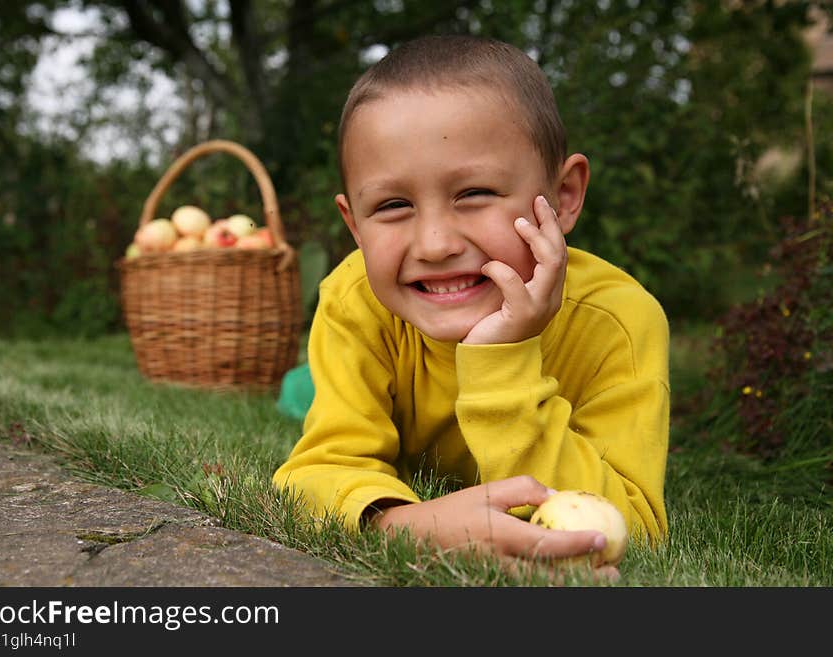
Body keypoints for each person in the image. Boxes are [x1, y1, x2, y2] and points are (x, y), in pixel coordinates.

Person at [272, 34, 670, 576]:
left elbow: (632, 528)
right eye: (392, 205)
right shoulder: (354, 301)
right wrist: (407, 525)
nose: (435, 244)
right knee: (307, 396)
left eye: (475, 194)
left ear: (565, 195)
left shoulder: (618, 323)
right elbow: (313, 475)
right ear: (354, 226)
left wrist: (503, 361)